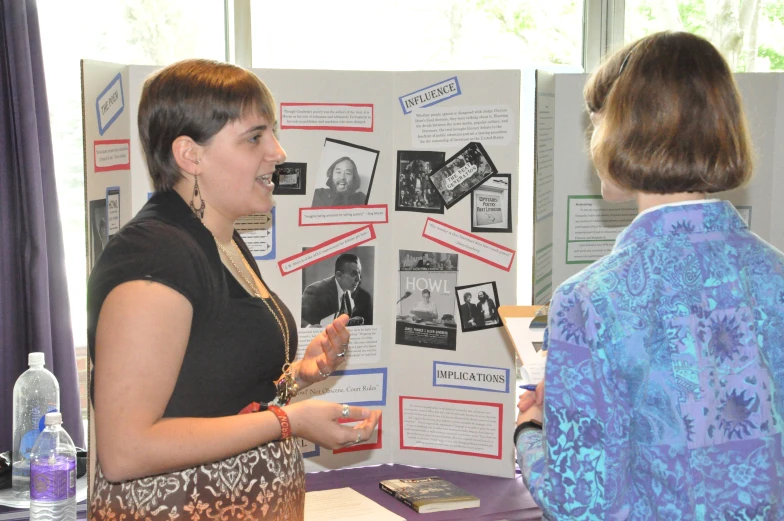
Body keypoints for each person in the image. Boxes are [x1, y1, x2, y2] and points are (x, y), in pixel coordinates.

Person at [87, 59, 381, 521]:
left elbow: (213, 396)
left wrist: (298, 377)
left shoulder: (219, 238)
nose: (278, 152)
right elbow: (126, 451)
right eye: (254, 138)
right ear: (190, 155)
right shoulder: (153, 257)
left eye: (273, 134)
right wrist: (289, 421)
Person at [515, 32, 784, 519]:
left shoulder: (591, 300)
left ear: (626, 130)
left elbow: (583, 507)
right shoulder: (776, 277)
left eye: (596, 123)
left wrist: (530, 434)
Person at [301, 253, 373, 327]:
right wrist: (309, 327)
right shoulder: (316, 290)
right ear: (339, 275)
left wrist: (349, 322)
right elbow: (297, 315)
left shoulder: (347, 293)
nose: (358, 279)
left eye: (359, 273)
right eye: (353, 274)